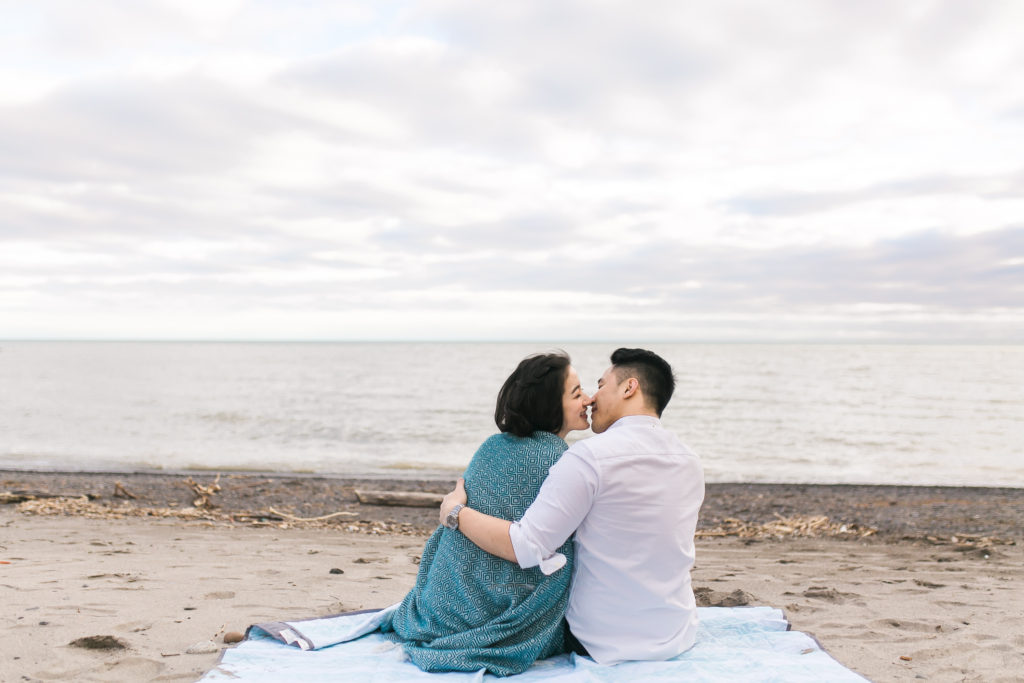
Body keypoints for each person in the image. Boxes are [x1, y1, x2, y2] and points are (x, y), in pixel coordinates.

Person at [440, 348, 705, 665]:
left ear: (629, 388)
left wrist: (456, 512)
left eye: (601, 385)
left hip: (601, 640)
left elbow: (527, 546)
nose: (592, 398)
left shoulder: (590, 457)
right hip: (677, 633)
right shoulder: (690, 460)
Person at [378, 351, 591, 675]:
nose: (588, 399)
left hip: (440, 607)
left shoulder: (492, 446)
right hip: (498, 614)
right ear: (550, 405)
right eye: (577, 394)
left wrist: (455, 513)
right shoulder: (559, 460)